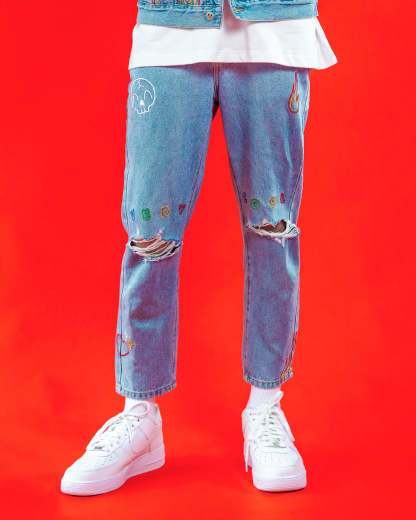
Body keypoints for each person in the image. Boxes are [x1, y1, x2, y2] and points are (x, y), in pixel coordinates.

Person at [61, 0, 337, 496]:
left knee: (273, 230)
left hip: (275, 33)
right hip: (169, 30)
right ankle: (139, 414)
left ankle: (266, 406)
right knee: (149, 235)